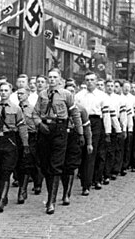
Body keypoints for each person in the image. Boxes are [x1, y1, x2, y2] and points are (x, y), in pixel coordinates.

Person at [32, 68, 81, 214]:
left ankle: (51, 201)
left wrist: (80, 133)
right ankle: (50, 196)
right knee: (45, 164)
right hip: (45, 130)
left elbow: (75, 114)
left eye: (55, 77)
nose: (52, 80)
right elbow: (35, 113)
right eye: (50, 77)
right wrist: (39, 124)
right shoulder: (42, 94)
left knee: (56, 165)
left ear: (60, 79)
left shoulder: (66, 95)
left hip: (60, 130)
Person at [0, 81, 29, 212]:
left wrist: (25, 144)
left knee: (7, 169)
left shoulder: (16, 109)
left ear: (10, 92)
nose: (3, 93)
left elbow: (22, 127)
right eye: (1, 91)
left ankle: (2, 199)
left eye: (6, 91)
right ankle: (3, 196)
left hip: (10, 140)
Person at [75, 71, 110, 196]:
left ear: (96, 81)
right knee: (82, 152)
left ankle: (88, 183)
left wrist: (107, 131)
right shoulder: (79, 95)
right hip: (81, 122)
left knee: (92, 153)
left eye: (92, 80)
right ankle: (86, 179)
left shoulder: (102, 96)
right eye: (87, 80)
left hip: (96, 123)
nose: (89, 82)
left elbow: (106, 116)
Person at [15, 86, 41, 204]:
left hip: (31, 137)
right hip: (18, 138)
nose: (19, 96)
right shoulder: (15, 108)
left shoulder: (32, 109)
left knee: (31, 162)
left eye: (22, 93)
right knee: (21, 163)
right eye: (18, 93)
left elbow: (36, 124)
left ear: (28, 94)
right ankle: (24, 188)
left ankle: (34, 184)